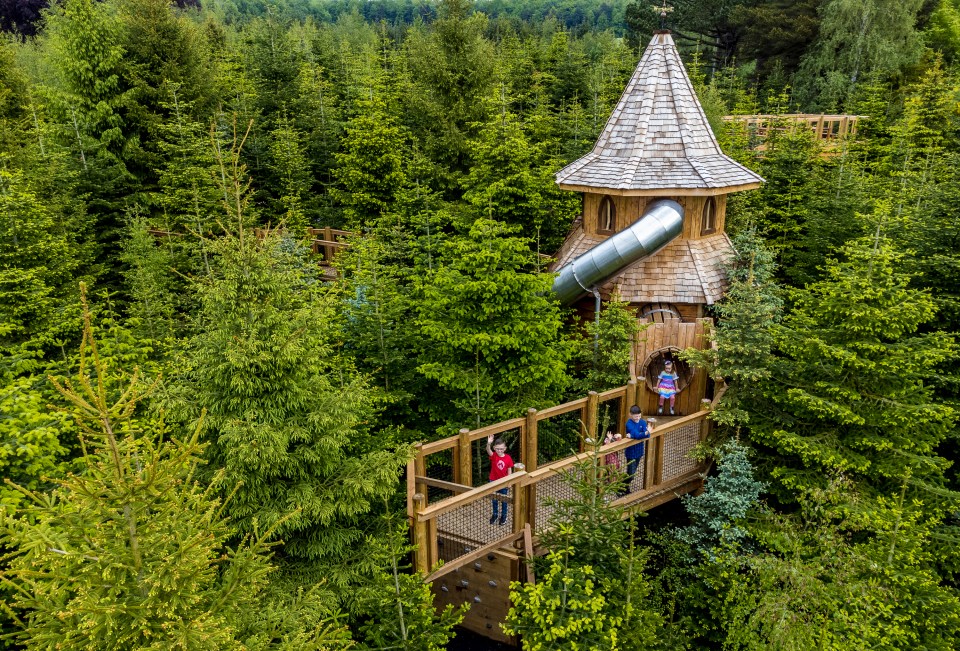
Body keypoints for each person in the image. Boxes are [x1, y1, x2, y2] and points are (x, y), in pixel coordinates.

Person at [487, 434, 514, 525]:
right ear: (494, 448)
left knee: (504, 500)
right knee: (494, 499)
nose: (499, 450)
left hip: (504, 482)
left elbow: (509, 470)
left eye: (501, 449)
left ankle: (504, 516)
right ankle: (495, 514)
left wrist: (509, 482)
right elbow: (488, 450)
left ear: (505, 448)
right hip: (493, 481)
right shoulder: (494, 456)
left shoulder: (508, 458)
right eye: (498, 448)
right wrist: (488, 443)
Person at [623, 405, 649, 493]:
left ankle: (624, 487)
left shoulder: (642, 422)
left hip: (639, 451)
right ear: (630, 414)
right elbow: (639, 435)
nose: (638, 418)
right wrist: (643, 433)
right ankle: (623, 487)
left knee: (632, 472)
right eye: (636, 416)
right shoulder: (629, 423)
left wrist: (633, 435)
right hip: (631, 452)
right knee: (631, 474)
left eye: (639, 416)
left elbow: (647, 435)